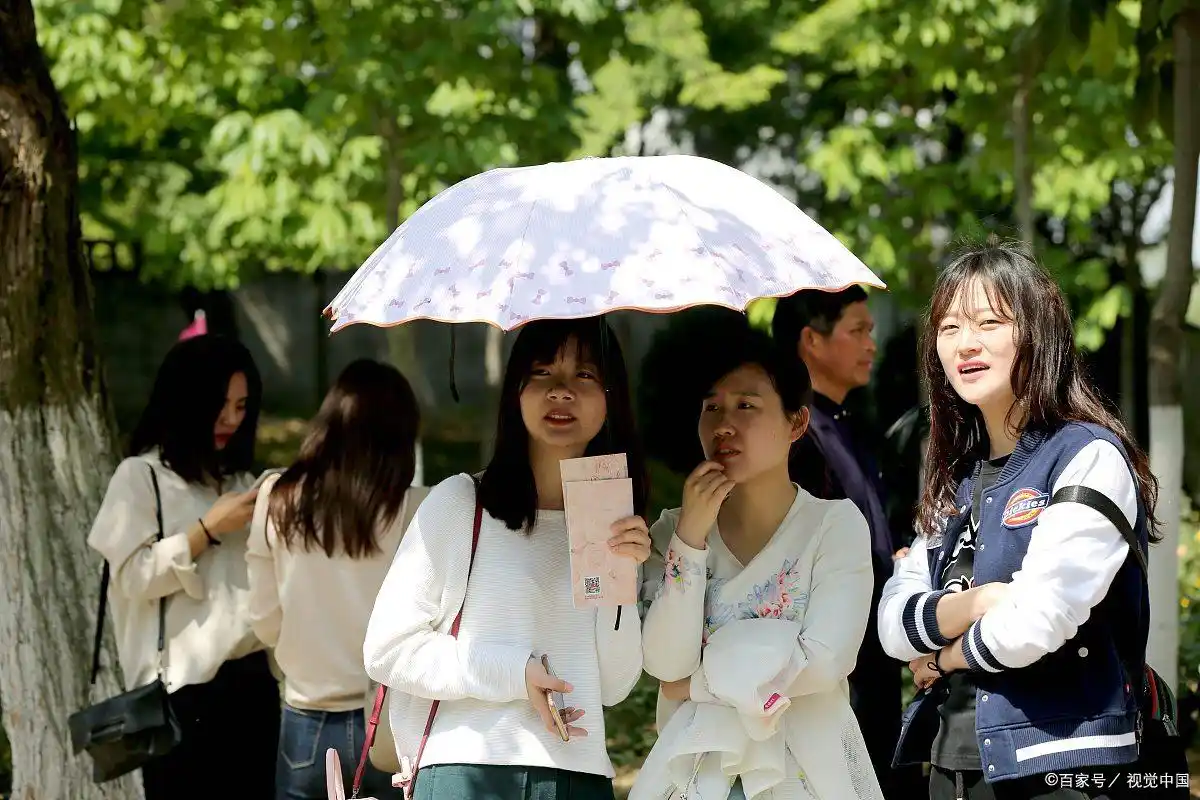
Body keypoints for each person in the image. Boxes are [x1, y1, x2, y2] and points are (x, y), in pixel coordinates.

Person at [878, 238, 1160, 799]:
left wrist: (943, 654)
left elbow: (1037, 621)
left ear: (1036, 331)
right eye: (950, 327)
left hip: (1062, 769)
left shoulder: (1087, 456)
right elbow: (892, 625)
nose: (965, 344)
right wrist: (983, 600)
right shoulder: (955, 476)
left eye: (987, 322)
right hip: (950, 763)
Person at [363, 317, 649, 800]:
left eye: (583, 375)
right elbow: (387, 649)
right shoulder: (461, 503)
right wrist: (514, 672)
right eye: (541, 373)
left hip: (576, 774)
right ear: (515, 392)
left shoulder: (615, 524)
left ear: (611, 396)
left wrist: (622, 574)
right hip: (465, 769)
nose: (561, 392)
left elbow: (614, 685)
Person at [633, 323, 883, 800]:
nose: (724, 424)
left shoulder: (835, 525)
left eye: (746, 405)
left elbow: (826, 660)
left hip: (806, 775)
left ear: (797, 423)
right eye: (711, 408)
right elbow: (666, 665)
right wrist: (690, 539)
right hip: (696, 774)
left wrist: (698, 683)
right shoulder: (671, 532)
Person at [87, 334, 279, 798]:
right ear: (187, 401)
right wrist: (206, 530)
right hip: (181, 699)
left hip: (253, 687)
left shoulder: (240, 481)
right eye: (220, 404)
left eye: (241, 406)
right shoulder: (140, 478)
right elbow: (131, 578)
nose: (231, 419)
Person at [246, 359, 427, 799]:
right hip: (388, 723)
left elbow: (264, 619)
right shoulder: (417, 508)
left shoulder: (276, 495)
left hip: (306, 718)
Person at [772, 286, 915, 797]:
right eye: (858, 331)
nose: (871, 344)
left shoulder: (846, 423)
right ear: (811, 340)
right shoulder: (792, 437)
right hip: (833, 666)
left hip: (872, 657)